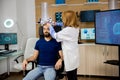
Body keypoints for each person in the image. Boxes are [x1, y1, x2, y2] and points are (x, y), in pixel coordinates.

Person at [47, 10, 80, 80]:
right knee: (74, 75)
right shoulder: (76, 28)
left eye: (63, 18)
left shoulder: (67, 30)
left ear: (67, 19)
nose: (62, 19)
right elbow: (63, 24)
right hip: (74, 56)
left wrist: (50, 26)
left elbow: (55, 35)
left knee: (71, 77)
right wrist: (55, 23)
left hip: (69, 57)